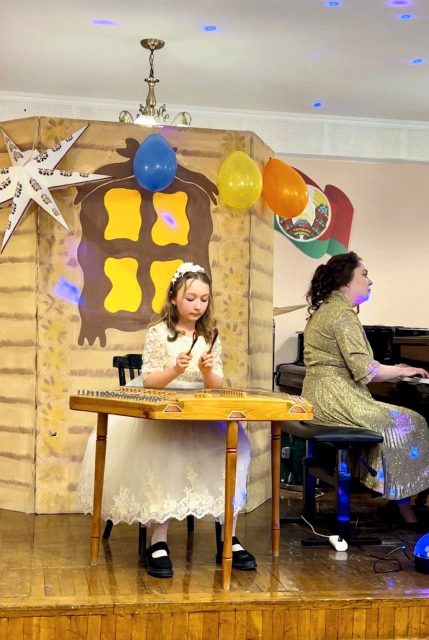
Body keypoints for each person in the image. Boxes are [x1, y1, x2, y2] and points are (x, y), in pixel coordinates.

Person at [78, 262, 256, 577]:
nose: (198, 306)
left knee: (237, 446)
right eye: (191, 298)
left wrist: (207, 372)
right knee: (166, 452)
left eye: (204, 299)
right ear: (173, 298)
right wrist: (175, 369)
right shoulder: (159, 333)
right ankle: (158, 541)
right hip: (164, 410)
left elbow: (216, 385)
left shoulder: (209, 335)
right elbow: (149, 380)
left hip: (200, 412)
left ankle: (228, 536)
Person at [302, 251, 429, 527]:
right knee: (411, 421)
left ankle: (398, 497)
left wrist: (395, 368)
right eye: (364, 274)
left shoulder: (327, 309)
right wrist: (402, 370)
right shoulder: (342, 315)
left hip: (320, 396)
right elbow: (367, 371)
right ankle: (404, 506)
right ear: (347, 281)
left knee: (401, 419)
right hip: (336, 398)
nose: (370, 281)